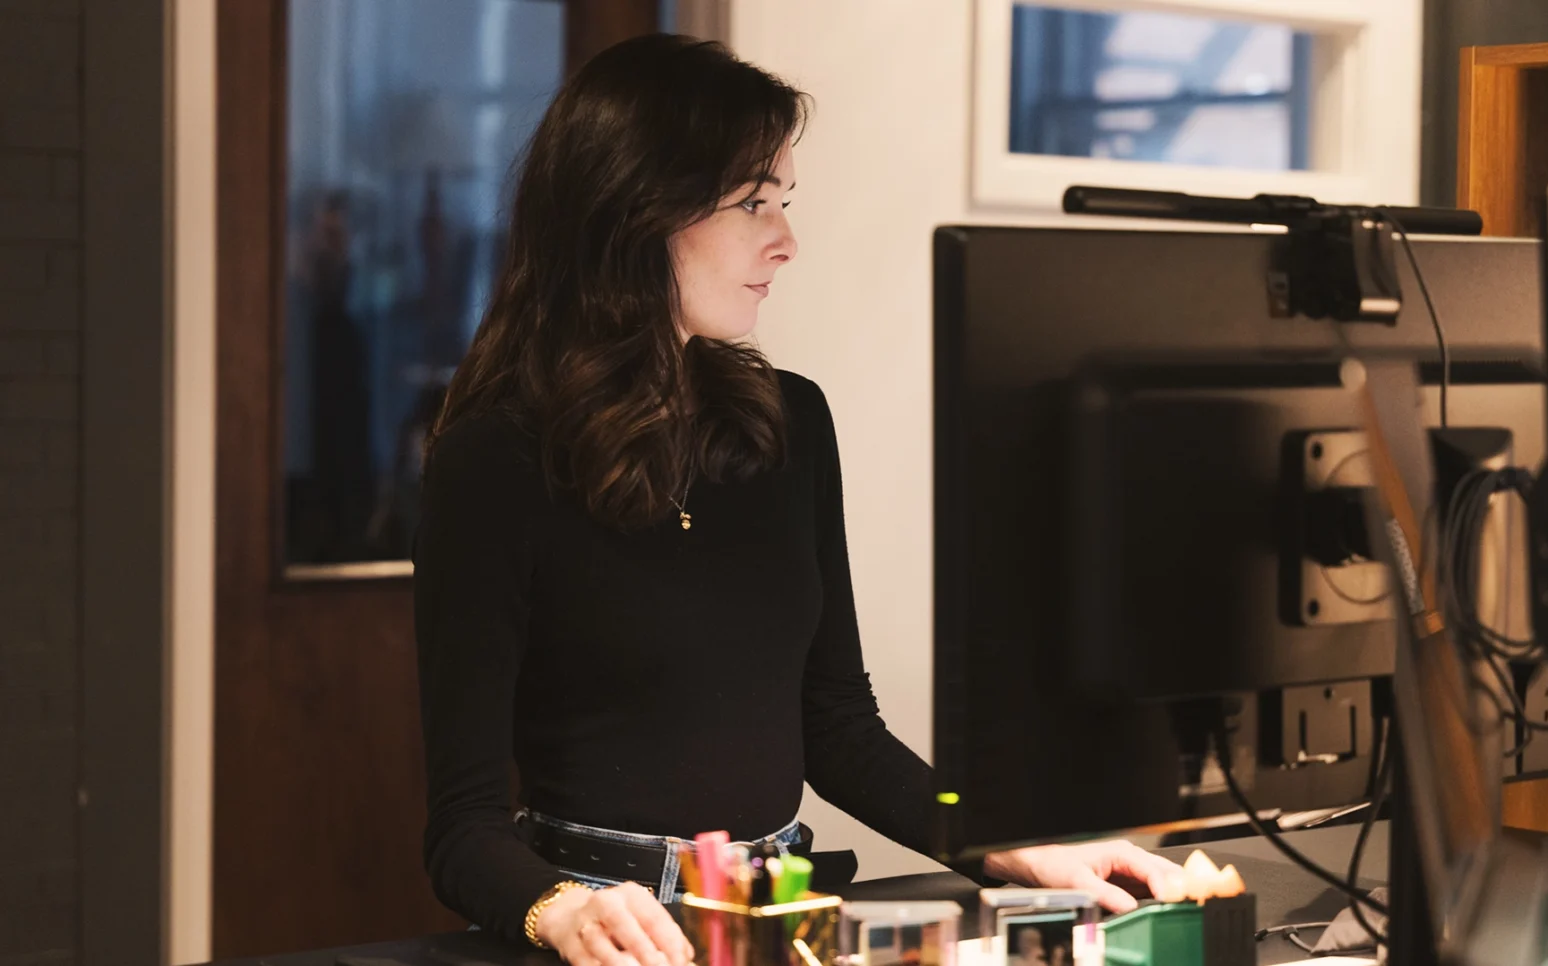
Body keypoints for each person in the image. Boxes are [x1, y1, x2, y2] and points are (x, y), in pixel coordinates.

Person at [414, 34, 1183, 966]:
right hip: (610, 936)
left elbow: (841, 728)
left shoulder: (791, 424)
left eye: (784, 200)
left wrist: (1003, 839)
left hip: (780, 917)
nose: (786, 240)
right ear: (635, 209)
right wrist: (563, 912)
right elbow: (463, 829)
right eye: (753, 202)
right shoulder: (494, 461)